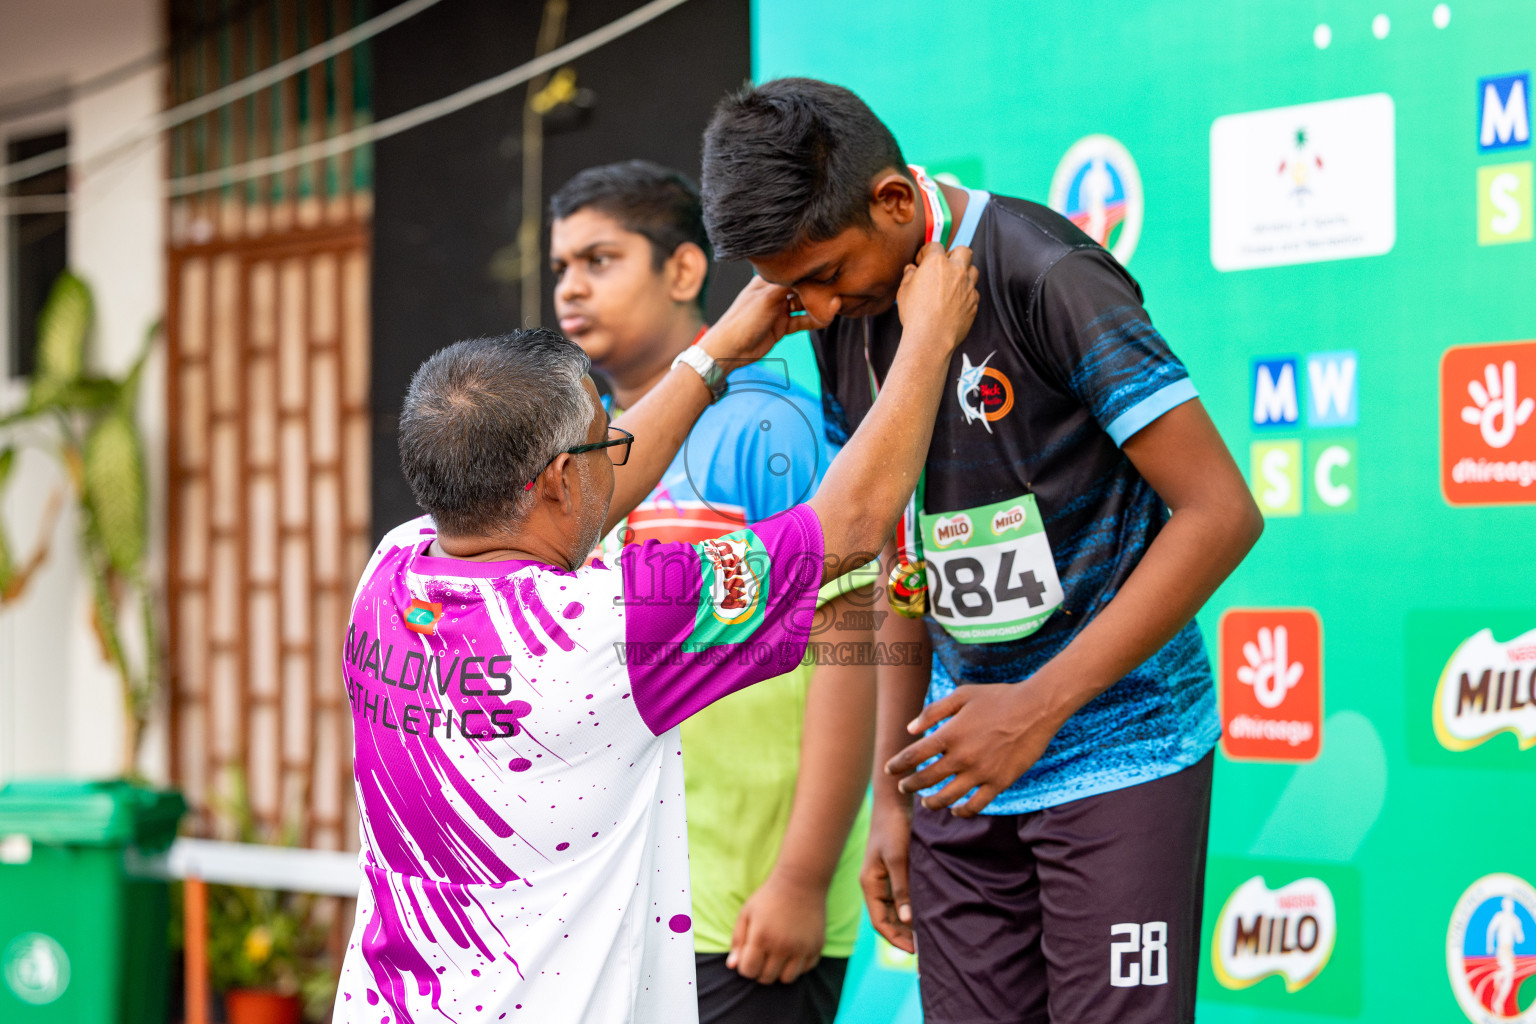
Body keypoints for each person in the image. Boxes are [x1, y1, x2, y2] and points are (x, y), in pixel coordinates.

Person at [700, 78, 1264, 1024]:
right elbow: (897, 557)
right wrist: (894, 792)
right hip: (957, 772)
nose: (821, 311)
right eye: (792, 291)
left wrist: (1037, 708)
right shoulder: (844, 316)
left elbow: (1221, 512)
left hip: (1119, 750)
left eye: (828, 275)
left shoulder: (1044, 273)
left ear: (890, 200)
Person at [331, 245, 979, 1023]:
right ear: (563, 481)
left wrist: (711, 358)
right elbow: (850, 523)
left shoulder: (392, 572)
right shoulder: (611, 627)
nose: (622, 459)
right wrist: (930, 339)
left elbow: (566, 508)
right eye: (609, 445)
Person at [549, 160, 874, 1024]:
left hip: (747, 915)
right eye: (560, 268)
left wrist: (801, 879)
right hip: (623, 902)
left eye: (600, 259)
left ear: (685, 271)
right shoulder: (583, 460)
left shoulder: (768, 429)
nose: (570, 289)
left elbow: (854, 645)